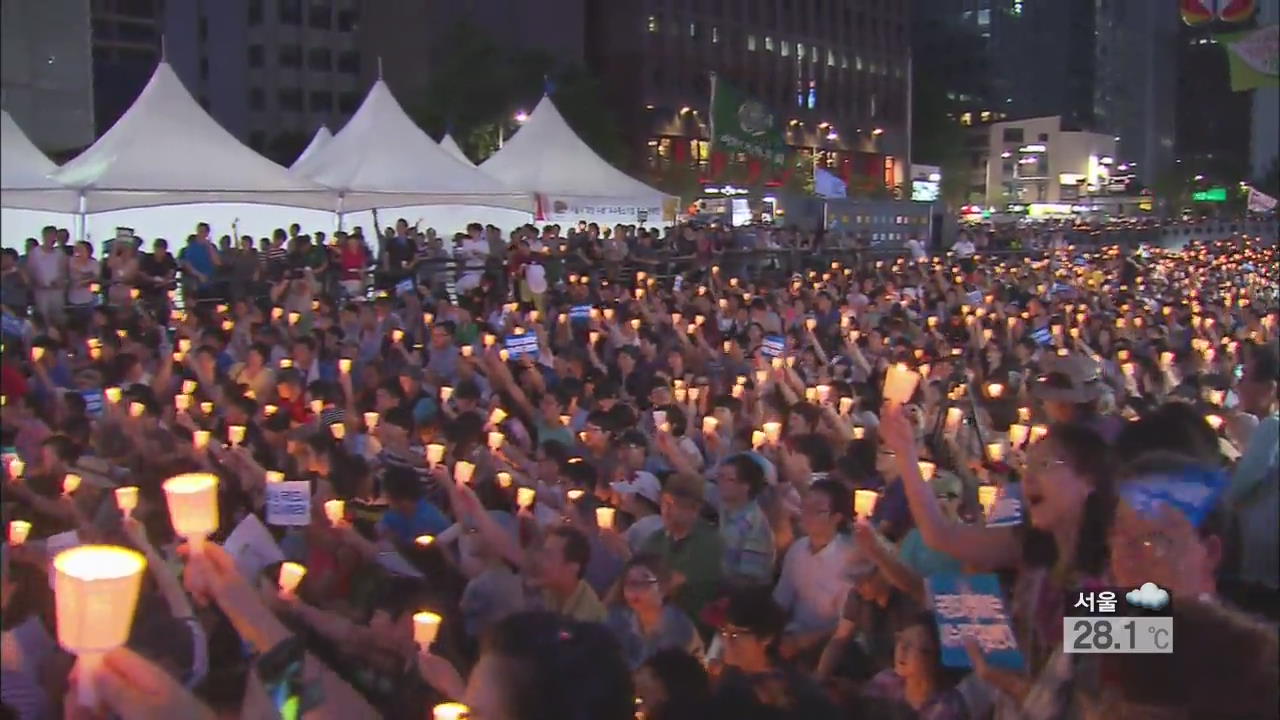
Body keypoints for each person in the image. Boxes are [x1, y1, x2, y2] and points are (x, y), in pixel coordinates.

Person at [772, 479, 859, 666]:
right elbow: (780, 602)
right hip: (791, 635)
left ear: (837, 517)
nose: (807, 515)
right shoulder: (797, 549)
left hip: (830, 647)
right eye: (805, 508)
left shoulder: (850, 557)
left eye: (817, 511)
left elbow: (848, 624)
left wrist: (804, 641)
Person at [639, 473, 724, 624]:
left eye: (674, 505)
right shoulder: (656, 539)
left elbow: (672, 584)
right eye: (665, 504)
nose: (666, 511)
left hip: (692, 626)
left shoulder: (710, 543)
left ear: (695, 509)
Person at [859, 612, 970, 719]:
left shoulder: (949, 706)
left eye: (912, 644)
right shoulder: (884, 682)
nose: (902, 649)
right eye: (900, 640)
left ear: (935, 656)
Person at [604, 555, 704, 669]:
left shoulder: (677, 625)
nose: (635, 590)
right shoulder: (619, 619)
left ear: (663, 587)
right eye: (630, 583)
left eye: (644, 582)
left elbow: (661, 672)